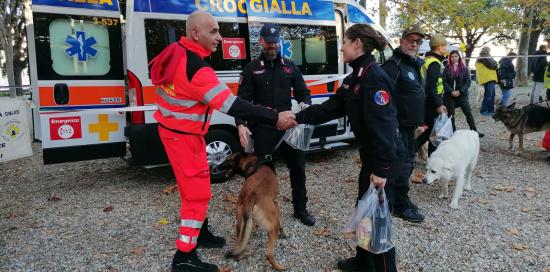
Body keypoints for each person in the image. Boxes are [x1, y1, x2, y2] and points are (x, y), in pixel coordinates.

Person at [149, 11, 297, 272]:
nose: (220, 37)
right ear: (196, 34)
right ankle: (184, 257)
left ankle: (201, 234)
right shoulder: (196, 68)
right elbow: (232, 104)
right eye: (214, 31)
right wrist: (274, 117)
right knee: (198, 195)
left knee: (194, 186)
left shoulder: (177, 52)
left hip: (176, 132)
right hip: (183, 137)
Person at [296, 23, 401, 272]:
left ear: (356, 43)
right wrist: (295, 117)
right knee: (364, 211)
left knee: (378, 220)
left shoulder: (373, 78)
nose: (340, 47)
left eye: (344, 41)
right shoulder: (356, 76)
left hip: (383, 159)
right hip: (372, 158)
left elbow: (385, 128)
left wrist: (382, 169)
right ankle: (364, 262)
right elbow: (330, 109)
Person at [235, 23, 316, 226]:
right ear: (261, 41)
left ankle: (300, 209)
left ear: (279, 42)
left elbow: (303, 93)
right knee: (261, 174)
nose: (272, 47)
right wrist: (241, 124)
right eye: (268, 43)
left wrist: (305, 106)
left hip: (288, 130)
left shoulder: (290, 66)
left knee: (298, 169)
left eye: (275, 43)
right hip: (263, 130)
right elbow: (242, 101)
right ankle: (260, 209)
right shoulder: (251, 69)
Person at [381, 24, 426, 223]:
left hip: (410, 126)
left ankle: (401, 199)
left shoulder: (414, 64)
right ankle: (396, 204)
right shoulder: (394, 66)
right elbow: (384, 100)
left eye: (417, 41)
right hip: (397, 127)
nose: (414, 44)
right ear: (401, 41)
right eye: (410, 40)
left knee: (408, 164)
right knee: (399, 167)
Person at [416, 34, 448, 157]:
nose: (446, 48)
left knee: (430, 131)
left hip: (427, 100)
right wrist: (439, 104)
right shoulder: (434, 63)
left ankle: (411, 152)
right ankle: (431, 159)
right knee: (433, 132)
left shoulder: (427, 60)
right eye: (444, 45)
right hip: (431, 102)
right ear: (439, 47)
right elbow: (431, 87)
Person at [442, 50, 483, 137]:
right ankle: (452, 132)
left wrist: (460, 91)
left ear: (459, 57)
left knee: (468, 113)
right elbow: (444, 81)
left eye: (456, 56)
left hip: (462, 95)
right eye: (452, 56)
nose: (454, 58)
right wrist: (451, 91)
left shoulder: (464, 68)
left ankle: (474, 131)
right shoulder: (447, 68)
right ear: (450, 58)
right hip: (449, 95)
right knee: (451, 114)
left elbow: (468, 81)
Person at [475, 46, 499, 115]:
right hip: (488, 78)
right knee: (488, 95)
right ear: (487, 50)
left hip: (487, 78)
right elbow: (494, 65)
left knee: (492, 95)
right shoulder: (484, 56)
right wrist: (497, 64)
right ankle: (483, 110)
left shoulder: (481, 57)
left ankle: (491, 110)